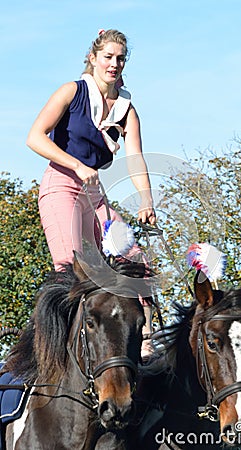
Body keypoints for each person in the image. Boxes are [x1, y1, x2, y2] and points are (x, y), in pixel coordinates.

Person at [26, 28, 156, 360]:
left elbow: (135, 157)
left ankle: (145, 341)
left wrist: (145, 199)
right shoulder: (72, 91)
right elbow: (35, 137)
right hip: (62, 186)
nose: (114, 64)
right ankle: (58, 351)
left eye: (120, 58)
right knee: (71, 267)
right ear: (93, 58)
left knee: (137, 260)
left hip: (94, 195)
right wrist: (77, 165)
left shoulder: (127, 109)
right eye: (108, 57)